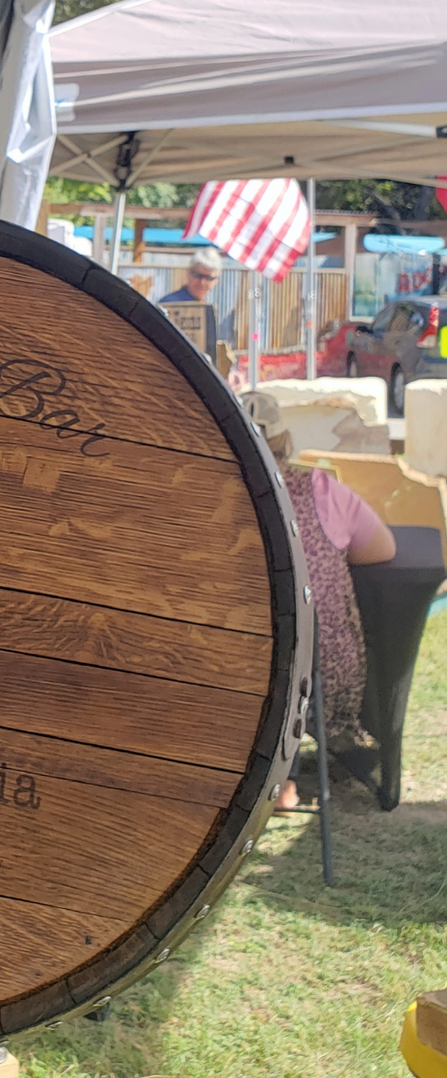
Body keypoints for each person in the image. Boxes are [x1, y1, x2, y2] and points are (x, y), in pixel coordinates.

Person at [241, 391, 397, 811]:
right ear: (284, 442)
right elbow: (382, 548)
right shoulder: (320, 488)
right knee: (291, 656)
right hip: (325, 671)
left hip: (242, 662)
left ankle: (273, 777)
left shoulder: (218, 493)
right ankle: (285, 781)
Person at [159, 246, 222, 353]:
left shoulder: (207, 308)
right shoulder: (169, 304)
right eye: (197, 275)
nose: (202, 282)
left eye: (208, 278)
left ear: (217, 279)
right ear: (188, 273)